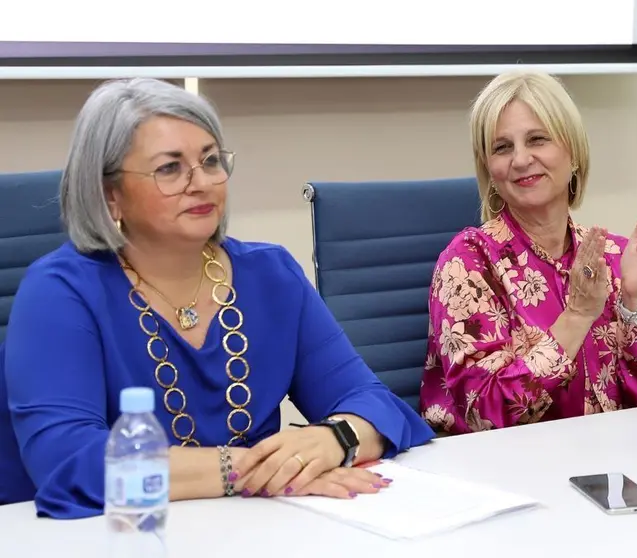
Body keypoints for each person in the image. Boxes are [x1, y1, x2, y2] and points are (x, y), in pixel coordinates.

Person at [0, 78, 434, 519]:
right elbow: (68, 460)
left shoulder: (271, 274)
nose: (202, 182)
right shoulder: (60, 291)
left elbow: (371, 400)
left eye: (210, 161)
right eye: (170, 168)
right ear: (110, 195)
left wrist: (332, 440)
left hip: (253, 529)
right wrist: (256, 469)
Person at [419, 70, 637, 434]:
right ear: (489, 170)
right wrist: (578, 316)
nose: (521, 159)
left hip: (602, 459)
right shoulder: (469, 261)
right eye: (503, 147)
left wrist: (634, 300)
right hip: (500, 471)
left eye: (537, 139)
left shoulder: (611, 254)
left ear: (574, 153)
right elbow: (483, 413)